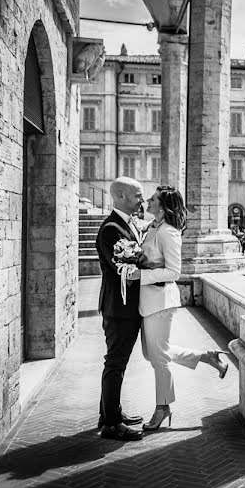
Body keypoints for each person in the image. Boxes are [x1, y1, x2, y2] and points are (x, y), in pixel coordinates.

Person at [127, 185, 229, 432]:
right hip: (148, 301)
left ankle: (163, 407)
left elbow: (174, 271)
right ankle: (207, 357)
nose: (148, 201)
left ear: (162, 206)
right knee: (152, 354)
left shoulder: (169, 232)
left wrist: (142, 274)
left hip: (161, 301)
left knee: (158, 358)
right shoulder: (152, 227)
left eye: (153, 199)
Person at [95, 177, 146, 441]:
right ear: (122, 196)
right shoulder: (111, 229)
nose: (142, 201)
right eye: (138, 195)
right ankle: (111, 425)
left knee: (118, 363)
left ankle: (110, 413)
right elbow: (126, 267)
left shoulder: (124, 225)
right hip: (118, 308)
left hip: (124, 307)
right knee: (115, 363)